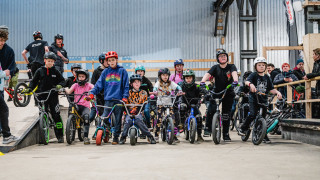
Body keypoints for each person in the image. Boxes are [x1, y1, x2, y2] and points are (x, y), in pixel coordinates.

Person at [88, 51, 129, 145]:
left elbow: (126, 86)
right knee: (104, 118)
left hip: (118, 100)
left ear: (116, 60)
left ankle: (115, 137)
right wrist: (92, 93)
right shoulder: (105, 72)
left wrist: (125, 97)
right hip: (108, 99)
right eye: (109, 60)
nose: (111, 62)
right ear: (107, 62)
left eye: (113, 60)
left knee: (118, 119)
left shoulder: (122, 71)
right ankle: (105, 132)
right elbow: (98, 85)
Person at [238, 57, 282, 144]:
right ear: (255, 66)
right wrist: (251, 85)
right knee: (253, 114)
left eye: (263, 65)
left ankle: (264, 136)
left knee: (263, 118)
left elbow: (270, 89)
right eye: (259, 65)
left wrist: (277, 92)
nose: (261, 67)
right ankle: (243, 128)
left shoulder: (267, 77)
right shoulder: (253, 75)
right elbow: (247, 81)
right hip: (253, 98)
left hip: (264, 99)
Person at [200, 49, 238, 141]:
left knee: (226, 114)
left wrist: (235, 81)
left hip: (228, 92)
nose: (223, 57)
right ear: (218, 59)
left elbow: (234, 74)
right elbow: (208, 74)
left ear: (227, 57)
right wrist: (202, 81)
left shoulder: (231, 66)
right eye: (221, 56)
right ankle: (208, 128)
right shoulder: (215, 67)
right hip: (217, 92)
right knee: (210, 110)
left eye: (224, 56)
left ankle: (225, 134)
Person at [27, 52, 65, 143]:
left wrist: (60, 85)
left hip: (52, 96)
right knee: (41, 113)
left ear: (54, 62)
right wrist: (29, 88)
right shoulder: (39, 71)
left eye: (52, 61)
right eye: (48, 61)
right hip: (41, 95)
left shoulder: (55, 71)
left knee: (55, 115)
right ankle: (43, 136)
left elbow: (63, 81)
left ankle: (59, 135)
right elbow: (34, 82)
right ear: (44, 60)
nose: (50, 63)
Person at [119, 74, 156, 144]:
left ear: (140, 83)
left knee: (139, 121)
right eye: (135, 82)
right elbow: (124, 103)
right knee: (127, 122)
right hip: (129, 112)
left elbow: (144, 103)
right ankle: (123, 137)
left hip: (138, 112)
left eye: (138, 82)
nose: (137, 83)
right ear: (131, 84)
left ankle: (150, 136)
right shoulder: (127, 93)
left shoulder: (143, 93)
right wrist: (124, 104)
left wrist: (139, 109)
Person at [153, 68, 182, 143]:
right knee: (159, 119)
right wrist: (155, 91)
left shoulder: (171, 83)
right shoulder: (158, 83)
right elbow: (155, 87)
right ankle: (156, 135)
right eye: (163, 75)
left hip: (169, 104)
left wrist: (180, 90)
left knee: (173, 119)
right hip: (160, 104)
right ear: (160, 76)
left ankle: (174, 136)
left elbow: (177, 86)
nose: (165, 77)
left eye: (166, 75)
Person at [64, 69, 93, 144]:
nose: (81, 78)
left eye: (82, 76)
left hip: (85, 106)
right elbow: (69, 91)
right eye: (79, 76)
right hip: (76, 105)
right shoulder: (75, 85)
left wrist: (92, 93)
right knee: (72, 114)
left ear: (86, 77)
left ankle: (86, 137)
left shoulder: (88, 85)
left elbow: (94, 88)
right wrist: (65, 89)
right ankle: (71, 128)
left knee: (86, 117)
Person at [0, 26, 18, 143]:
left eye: (3, 41)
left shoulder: (9, 51)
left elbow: (12, 67)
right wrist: (3, 73)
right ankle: (6, 135)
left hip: (1, 85)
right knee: (4, 109)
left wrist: (8, 73)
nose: (1, 43)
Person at [178, 69, 204, 142]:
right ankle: (182, 123)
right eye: (186, 78)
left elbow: (202, 91)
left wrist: (204, 95)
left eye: (190, 78)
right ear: (184, 78)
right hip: (185, 103)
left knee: (199, 117)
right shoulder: (181, 86)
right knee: (182, 107)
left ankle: (199, 135)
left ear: (193, 78)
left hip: (194, 104)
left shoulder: (196, 86)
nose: (188, 80)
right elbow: (176, 90)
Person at [89, 53, 108, 140]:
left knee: (108, 114)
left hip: (108, 95)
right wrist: (93, 94)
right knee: (100, 114)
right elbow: (93, 84)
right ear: (101, 61)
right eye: (106, 60)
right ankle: (98, 130)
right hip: (99, 96)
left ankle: (108, 130)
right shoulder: (96, 71)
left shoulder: (110, 70)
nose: (108, 62)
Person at [303, 48, 320, 118]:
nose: (312, 56)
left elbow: (318, 73)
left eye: (313, 54)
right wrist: (308, 76)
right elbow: (314, 73)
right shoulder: (315, 63)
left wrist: (309, 75)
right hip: (318, 86)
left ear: (318, 55)